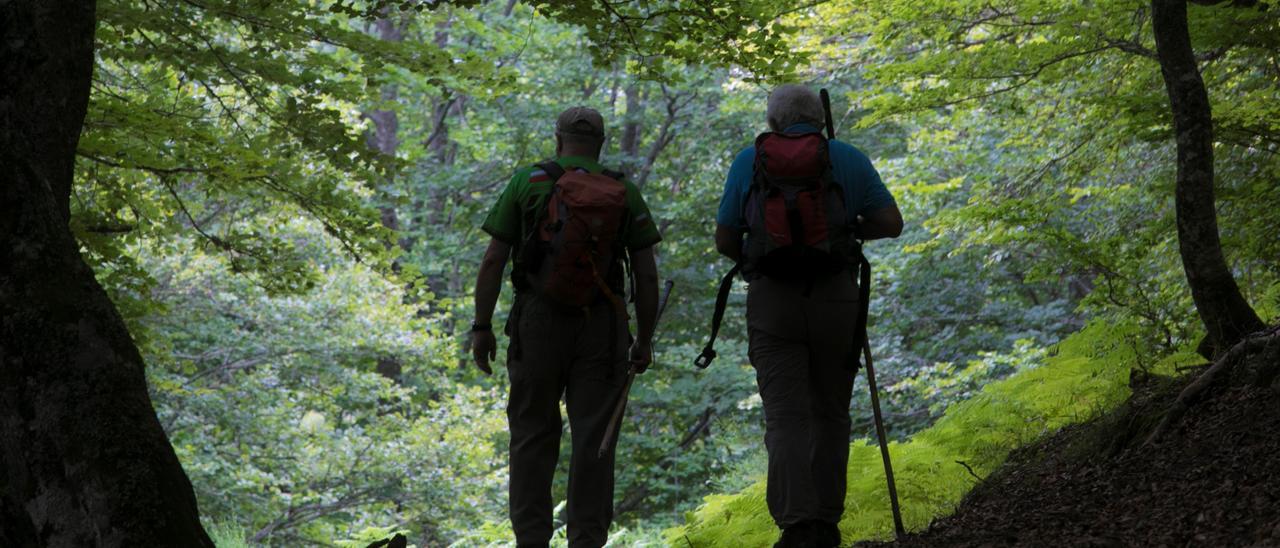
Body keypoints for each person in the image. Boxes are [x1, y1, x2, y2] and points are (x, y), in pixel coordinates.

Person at [713, 85, 903, 547]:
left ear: (774, 122)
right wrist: (844, 232)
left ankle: (796, 526)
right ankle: (826, 522)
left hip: (773, 300)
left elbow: (724, 239)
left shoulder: (749, 161)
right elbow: (890, 223)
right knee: (831, 414)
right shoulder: (847, 158)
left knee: (784, 417)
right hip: (837, 297)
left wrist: (761, 257)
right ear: (819, 120)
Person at [471, 106, 662, 548]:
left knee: (532, 435)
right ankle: (586, 541)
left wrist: (482, 326)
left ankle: (531, 541)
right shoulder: (622, 190)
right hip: (602, 326)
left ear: (558, 140)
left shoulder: (527, 182)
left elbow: (494, 259)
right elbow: (646, 274)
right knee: (595, 438)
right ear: (601, 142)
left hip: (537, 321)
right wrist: (645, 337)